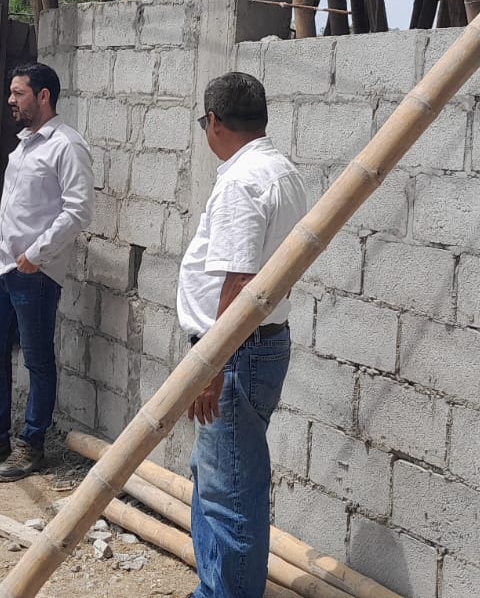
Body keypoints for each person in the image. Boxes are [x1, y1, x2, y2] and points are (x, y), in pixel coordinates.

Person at [178, 72, 309, 598]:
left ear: (213, 121)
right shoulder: (280, 170)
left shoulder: (242, 181)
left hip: (235, 352)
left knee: (228, 490)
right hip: (253, 347)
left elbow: (239, 283)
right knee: (221, 478)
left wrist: (211, 366)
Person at [0, 62, 93, 483]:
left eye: (18, 93)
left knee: (37, 360)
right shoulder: (25, 145)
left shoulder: (67, 146)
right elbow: (10, 206)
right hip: (3, 269)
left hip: (36, 273)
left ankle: (32, 444)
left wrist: (36, 254)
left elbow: (78, 211)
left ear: (43, 96)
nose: (11, 100)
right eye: (11, 93)